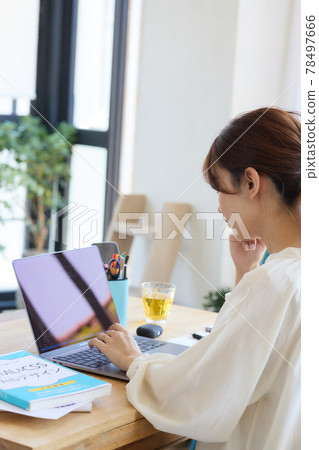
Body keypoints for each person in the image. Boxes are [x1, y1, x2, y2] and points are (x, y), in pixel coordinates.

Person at [89, 107, 301, 449]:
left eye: (219, 187)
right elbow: (253, 359)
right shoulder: (286, 274)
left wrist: (134, 361)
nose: (218, 206)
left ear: (251, 182)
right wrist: (245, 272)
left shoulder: (274, 283)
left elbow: (198, 395)